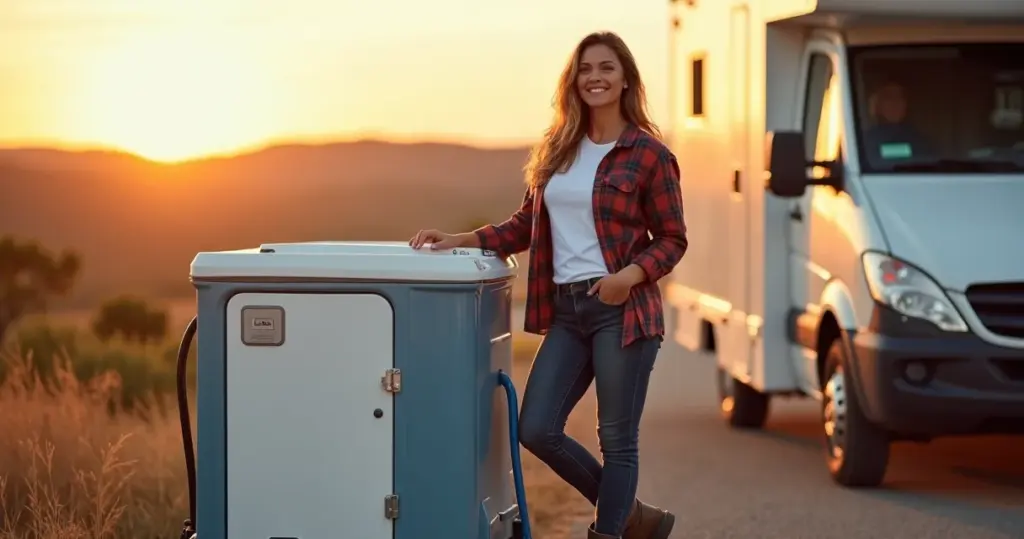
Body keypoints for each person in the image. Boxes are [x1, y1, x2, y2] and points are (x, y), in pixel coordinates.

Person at [410, 30, 687, 539]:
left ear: (625, 79)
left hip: (622, 312)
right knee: (536, 427)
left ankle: (609, 531)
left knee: (617, 441)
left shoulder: (649, 155)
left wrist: (628, 277)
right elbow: (524, 226)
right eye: (585, 69)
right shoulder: (559, 150)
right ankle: (632, 516)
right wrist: (463, 238)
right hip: (567, 310)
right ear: (574, 81)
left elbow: (672, 239)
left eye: (606, 68)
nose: (595, 77)